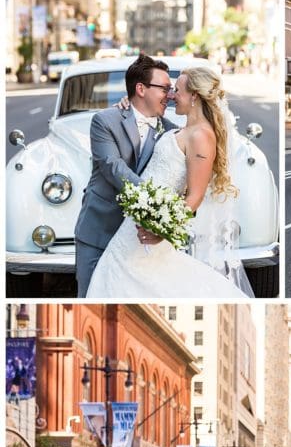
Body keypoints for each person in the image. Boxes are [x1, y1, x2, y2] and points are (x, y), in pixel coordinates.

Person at [85, 65, 253, 298]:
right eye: (169, 90)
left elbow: (195, 195)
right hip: (131, 229)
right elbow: (143, 119)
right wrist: (130, 104)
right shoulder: (181, 129)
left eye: (177, 90)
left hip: (151, 229)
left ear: (194, 95)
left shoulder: (202, 136)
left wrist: (162, 230)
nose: (172, 95)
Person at [74, 55, 180, 295]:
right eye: (164, 88)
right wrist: (154, 203)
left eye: (172, 89)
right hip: (99, 231)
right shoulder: (104, 121)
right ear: (140, 89)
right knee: (91, 296)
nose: (170, 95)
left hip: (139, 241)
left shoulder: (173, 132)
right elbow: (113, 167)